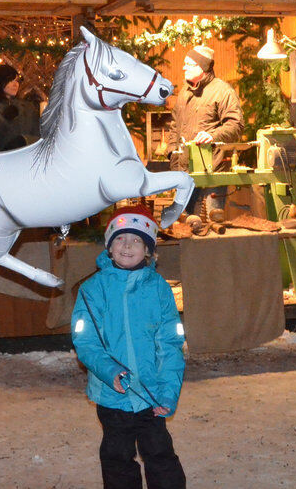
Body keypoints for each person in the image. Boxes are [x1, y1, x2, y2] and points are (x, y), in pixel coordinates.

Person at [71, 206, 186, 489]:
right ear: (109, 247)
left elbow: (170, 344)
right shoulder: (92, 289)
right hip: (112, 394)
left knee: (160, 453)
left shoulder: (159, 288)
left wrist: (168, 392)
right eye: (120, 238)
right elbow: (85, 340)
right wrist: (108, 370)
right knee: (117, 457)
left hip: (151, 393)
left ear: (148, 251)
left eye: (136, 240)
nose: (127, 245)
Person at [165, 45, 244, 220]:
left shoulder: (223, 91)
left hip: (212, 171)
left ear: (203, 67)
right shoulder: (184, 93)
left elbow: (236, 124)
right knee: (185, 222)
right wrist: (172, 153)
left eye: (189, 64)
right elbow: (175, 126)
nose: (183, 67)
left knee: (212, 220)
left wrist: (213, 136)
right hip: (185, 171)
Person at [0, 64, 40, 151]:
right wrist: (2, 120)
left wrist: (24, 140)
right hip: (1, 157)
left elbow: (38, 138)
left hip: (25, 156)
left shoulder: (28, 108)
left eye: (16, 81)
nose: (15, 84)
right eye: (10, 80)